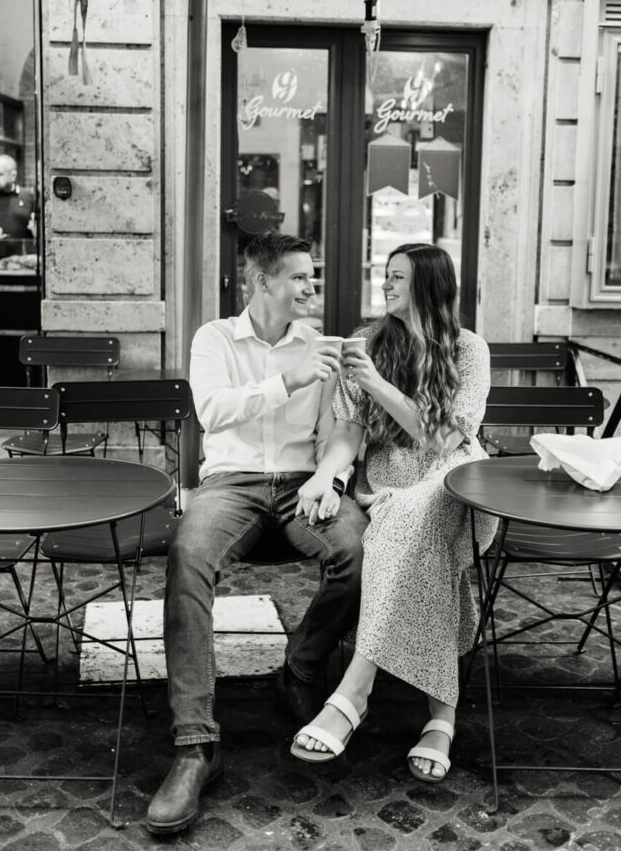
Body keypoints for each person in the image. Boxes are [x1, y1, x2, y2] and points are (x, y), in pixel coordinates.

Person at [146, 232, 368, 835]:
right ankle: (196, 745)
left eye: (311, 275)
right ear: (262, 281)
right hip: (231, 486)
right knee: (188, 554)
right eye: (298, 277)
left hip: (304, 484)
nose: (310, 286)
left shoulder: (322, 346)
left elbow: (338, 429)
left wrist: (332, 476)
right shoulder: (214, 338)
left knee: (356, 550)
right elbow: (212, 411)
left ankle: (300, 666)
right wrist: (288, 381)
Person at [291, 243, 498, 783]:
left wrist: (376, 384)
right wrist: (327, 475)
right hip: (388, 491)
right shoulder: (372, 341)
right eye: (385, 275)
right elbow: (349, 433)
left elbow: (445, 438)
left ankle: (352, 693)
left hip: (458, 480)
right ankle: (441, 718)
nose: (386, 285)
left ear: (428, 285)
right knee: (417, 529)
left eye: (398, 277)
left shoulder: (468, 349)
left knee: (422, 510)